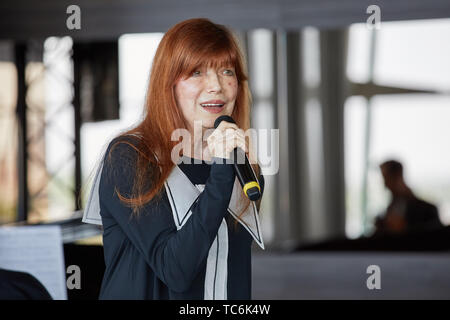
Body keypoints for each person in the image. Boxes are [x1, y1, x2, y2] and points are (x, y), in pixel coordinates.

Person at [83, 18, 265, 300]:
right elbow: (174, 269)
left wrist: (227, 164)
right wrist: (220, 174)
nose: (216, 86)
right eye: (197, 72)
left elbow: (234, 272)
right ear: (168, 83)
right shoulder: (130, 156)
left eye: (226, 71)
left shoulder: (241, 165)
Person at [373, 160, 442, 235]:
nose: (385, 184)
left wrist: (404, 227)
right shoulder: (390, 209)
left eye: (386, 178)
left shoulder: (428, 210)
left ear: (397, 176)